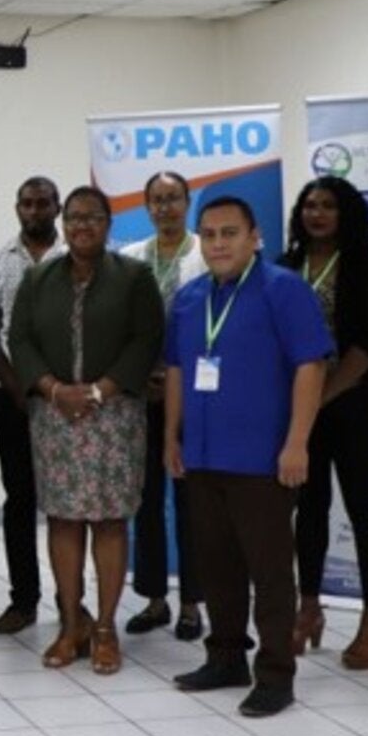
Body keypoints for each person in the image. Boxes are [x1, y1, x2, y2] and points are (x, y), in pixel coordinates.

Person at [166, 196, 331, 718]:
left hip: (263, 459)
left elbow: (311, 365)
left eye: (229, 233)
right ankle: (226, 657)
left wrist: (298, 441)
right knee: (216, 566)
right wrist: (171, 436)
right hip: (203, 456)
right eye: (209, 234)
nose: (218, 243)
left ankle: (276, 674)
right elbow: (175, 370)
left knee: (270, 572)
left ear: (254, 237)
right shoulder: (190, 298)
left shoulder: (285, 290)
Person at [8, 187, 163, 676]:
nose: (81, 226)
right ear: (63, 222)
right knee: (62, 520)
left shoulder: (134, 277)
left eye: (92, 218)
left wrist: (99, 392)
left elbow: (146, 339)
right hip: (55, 417)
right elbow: (20, 339)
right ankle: (71, 623)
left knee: (111, 522)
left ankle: (106, 629)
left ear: (108, 223)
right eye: (73, 218)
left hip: (114, 416)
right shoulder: (37, 279)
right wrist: (55, 391)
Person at [279, 176, 368, 670]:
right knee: (309, 508)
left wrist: (321, 397)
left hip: (352, 405)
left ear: (345, 213)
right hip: (299, 408)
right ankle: (308, 608)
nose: (317, 214)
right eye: (309, 205)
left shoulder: (366, 269)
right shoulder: (286, 267)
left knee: (364, 506)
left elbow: (366, 348)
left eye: (327, 206)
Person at [0, 176, 65, 634]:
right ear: (17, 208)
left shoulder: (77, 258)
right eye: (26, 203)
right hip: (9, 398)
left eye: (43, 203)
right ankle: (23, 600)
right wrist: (20, 390)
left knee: (70, 504)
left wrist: (54, 390)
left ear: (57, 206)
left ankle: (73, 602)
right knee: (20, 499)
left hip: (68, 399)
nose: (34, 210)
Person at [119, 172, 207, 642]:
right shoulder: (132, 258)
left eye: (173, 199)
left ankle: (193, 603)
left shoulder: (204, 254)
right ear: (146, 205)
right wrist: (142, 378)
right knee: (146, 501)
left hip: (194, 396)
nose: (164, 207)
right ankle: (155, 600)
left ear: (187, 203)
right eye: (156, 199)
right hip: (141, 394)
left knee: (192, 501)